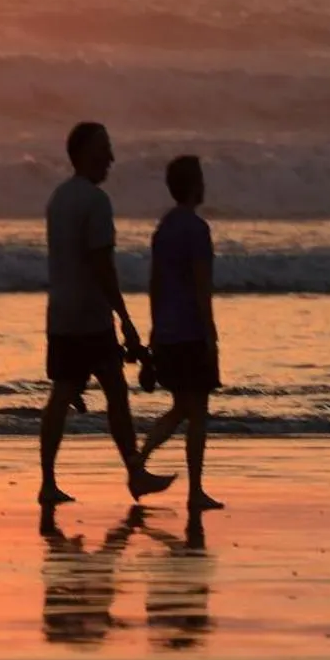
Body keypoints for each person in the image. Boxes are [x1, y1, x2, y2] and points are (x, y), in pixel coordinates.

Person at [37, 120, 176, 506]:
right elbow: (102, 265)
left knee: (63, 392)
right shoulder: (96, 203)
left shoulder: (58, 198)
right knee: (115, 391)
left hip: (61, 311)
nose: (111, 158)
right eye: (104, 149)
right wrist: (125, 320)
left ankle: (48, 481)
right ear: (83, 154)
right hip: (90, 316)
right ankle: (134, 473)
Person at [139, 154, 224, 512]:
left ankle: (139, 458)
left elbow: (155, 285)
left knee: (182, 408)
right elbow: (201, 285)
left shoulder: (164, 229)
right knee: (196, 411)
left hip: (168, 332)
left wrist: (154, 334)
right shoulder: (196, 229)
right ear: (193, 185)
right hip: (190, 331)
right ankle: (195, 491)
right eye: (201, 178)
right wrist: (211, 334)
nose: (204, 184)